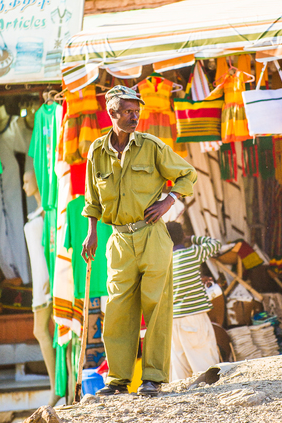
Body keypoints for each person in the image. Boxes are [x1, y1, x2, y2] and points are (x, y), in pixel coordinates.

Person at [81, 85, 197, 396]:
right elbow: (92, 199)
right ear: (112, 113)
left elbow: (188, 175)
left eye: (137, 111)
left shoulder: (152, 146)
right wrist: (92, 232)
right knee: (118, 309)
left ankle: (153, 379)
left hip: (152, 236)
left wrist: (168, 201)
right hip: (119, 240)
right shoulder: (96, 151)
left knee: (156, 306)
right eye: (129, 111)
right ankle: (118, 381)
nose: (136, 116)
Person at [166, 221, 221, 381]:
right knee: (205, 364)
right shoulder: (192, 253)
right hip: (194, 317)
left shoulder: (164, 261)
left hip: (173, 320)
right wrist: (192, 238)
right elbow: (215, 244)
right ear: (182, 236)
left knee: (180, 368)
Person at [23, 171, 60, 406]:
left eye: (27, 181)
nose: (25, 185)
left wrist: (50, 276)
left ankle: (57, 388)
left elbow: (51, 246)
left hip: (46, 277)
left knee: (49, 330)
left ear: (38, 182)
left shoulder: (48, 211)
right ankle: (57, 385)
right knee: (42, 331)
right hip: (39, 277)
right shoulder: (37, 212)